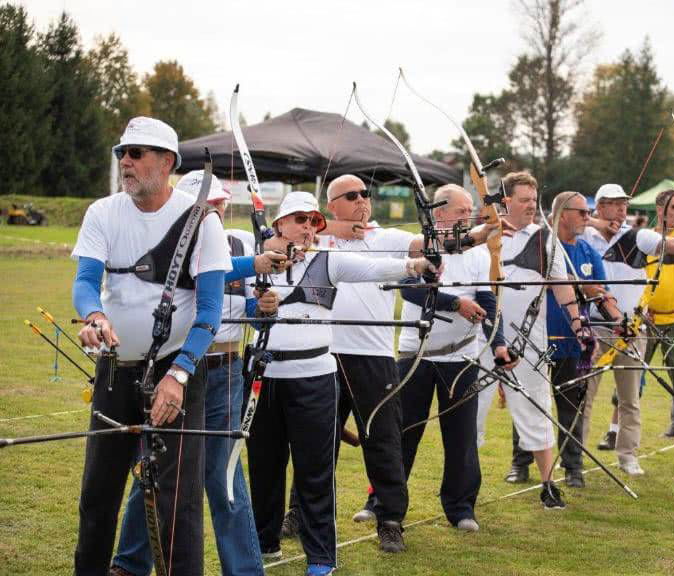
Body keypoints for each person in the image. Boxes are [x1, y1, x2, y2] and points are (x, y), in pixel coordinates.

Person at [71, 117, 233, 576]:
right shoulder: (102, 212)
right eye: (123, 151)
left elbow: (208, 314)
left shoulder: (201, 220)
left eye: (138, 153)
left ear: (166, 163)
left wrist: (178, 374)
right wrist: (95, 317)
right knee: (97, 494)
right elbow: (86, 283)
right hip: (115, 368)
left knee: (176, 502)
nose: (126, 160)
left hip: (176, 373)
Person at [248, 192, 439, 576]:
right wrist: (257, 303)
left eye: (312, 221)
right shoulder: (254, 262)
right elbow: (231, 300)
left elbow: (373, 269)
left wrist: (418, 264)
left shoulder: (328, 260)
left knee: (315, 469)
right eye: (298, 219)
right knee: (264, 467)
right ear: (280, 223)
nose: (305, 227)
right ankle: (264, 544)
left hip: (314, 377)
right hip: (264, 377)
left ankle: (320, 558)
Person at [108, 171, 288, 576]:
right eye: (209, 207)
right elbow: (208, 272)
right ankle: (130, 561)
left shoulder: (237, 241)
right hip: (175, 370)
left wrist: (265, 310)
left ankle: (243, 570)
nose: (217, 213)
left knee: (223, 475)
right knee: (155, 467)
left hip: (223, 369)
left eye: (221, 206)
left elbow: (253, 315)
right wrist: (253, 263)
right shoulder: (172, 244)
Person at [476, 171, 614, 510]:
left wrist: (579, 325)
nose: (530, 206)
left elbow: (562, 285)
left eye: (534, 201)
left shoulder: (543, 238)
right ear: (505, 201)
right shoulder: (484, 235)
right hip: (482, 338)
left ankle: (549, 485)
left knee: (536, 409)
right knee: (471, 414)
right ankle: (466, 491)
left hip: (528, 343)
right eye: (524, 200)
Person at [584, 185, 674, 468]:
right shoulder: (611, 236)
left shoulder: (650, 237)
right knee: (613, 389)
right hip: (630, 320)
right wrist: (596, 222)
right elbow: (568, 219)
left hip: (665, 320)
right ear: (660, 210)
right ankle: (602, 440)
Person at [397, 184, 513, 532]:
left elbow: (488, 301)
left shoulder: (478, 253)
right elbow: (409, 290)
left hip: (461, 357)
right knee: (403, 432)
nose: (469, 216)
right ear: (439, 213)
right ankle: (384, 503)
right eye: (461, 211)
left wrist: (499, 343)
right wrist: (454, 304)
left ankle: (461, 507)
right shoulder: (420, 246)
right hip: (416, 354)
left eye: (470, 210)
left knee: (461, 436)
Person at [507, 191, 620, 488]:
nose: (587, 218)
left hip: (572, 343)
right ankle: (520, 464)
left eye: (588, 213)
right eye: (582, 212)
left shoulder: (587, 252)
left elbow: (601, 292)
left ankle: (573, 468)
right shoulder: (540, 245)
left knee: (572, 407)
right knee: (529, 401)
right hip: (537, 340)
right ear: (563, 214)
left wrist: (620, 320)